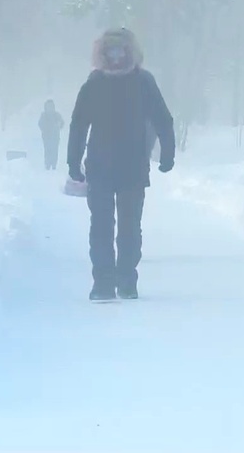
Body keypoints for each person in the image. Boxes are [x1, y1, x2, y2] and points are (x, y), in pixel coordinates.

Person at [67, 28, 175, 301]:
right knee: (101, 226)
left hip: (133, 168)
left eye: (120, 51)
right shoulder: (94, 84)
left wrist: (167, 153)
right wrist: (73, 161)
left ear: (129, 52)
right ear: (102, 54)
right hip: (100, 167)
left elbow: (163, 118)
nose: (116, 56)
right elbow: (79, 125)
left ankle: (127, 278)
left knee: (129, 227)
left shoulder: (143, 82)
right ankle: (103, 281)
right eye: (110, 51)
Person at [38, 99, 64, 170]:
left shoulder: (57, 115)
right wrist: (46, 127)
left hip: (55, 137)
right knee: (47, 150)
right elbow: (40, 124)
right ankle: (47, 164)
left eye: (51, 106)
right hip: (46, 137)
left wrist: (59, 125)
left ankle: (54, 165)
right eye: (48, 106)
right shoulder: (43, 115)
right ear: (45, 107)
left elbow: (62, 123)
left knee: (55, 151)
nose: (50, 108)